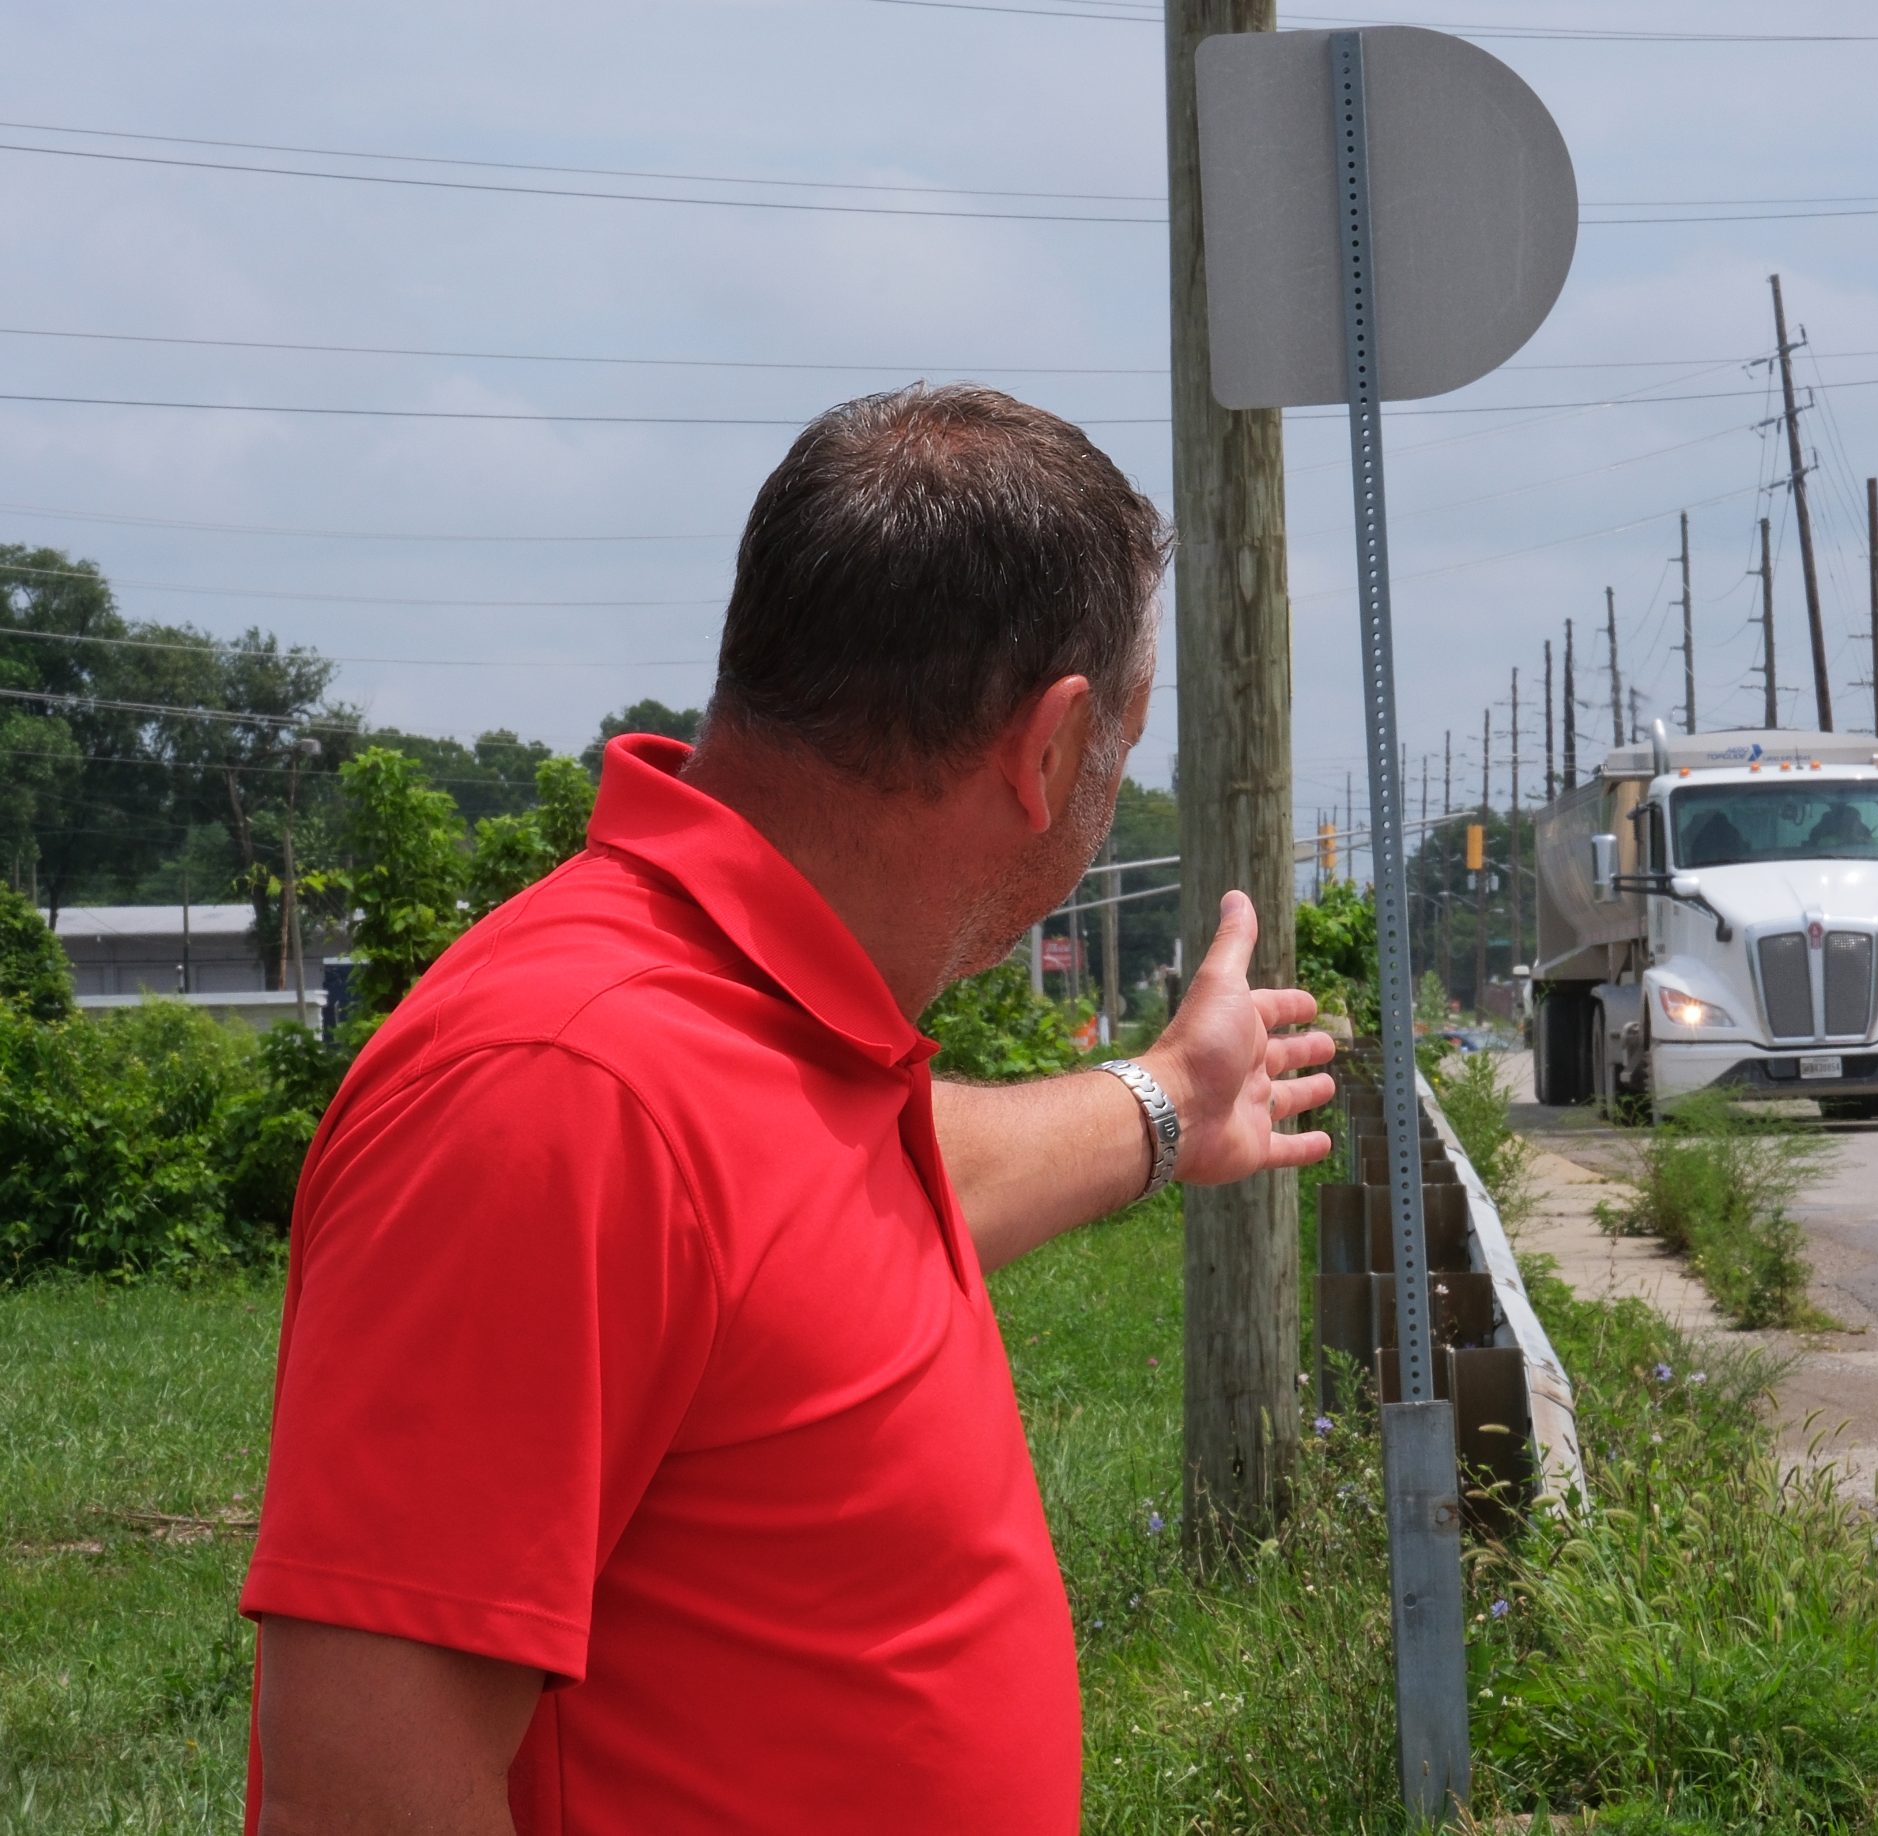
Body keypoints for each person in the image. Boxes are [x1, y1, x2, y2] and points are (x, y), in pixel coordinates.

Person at [241, 385, 1337, 1835]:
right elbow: (358, 1797)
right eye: (1125, 753)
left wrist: (1164, 1102)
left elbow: (838, 1196)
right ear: (1054, 749)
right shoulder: (562, 1090)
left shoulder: (753, 1041)